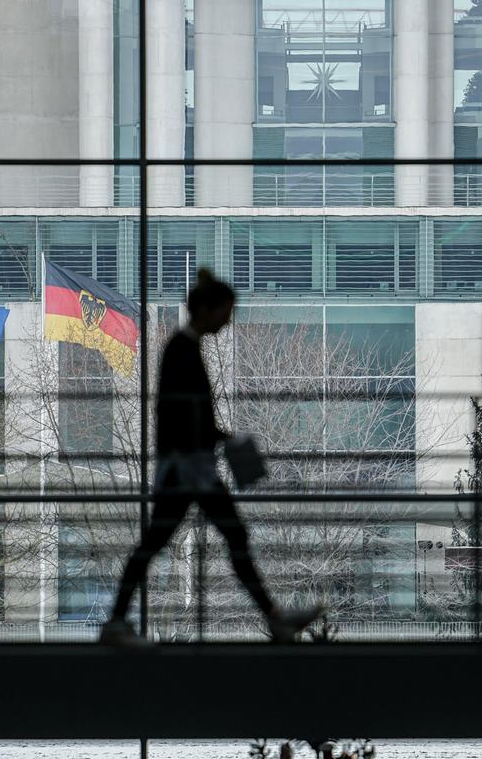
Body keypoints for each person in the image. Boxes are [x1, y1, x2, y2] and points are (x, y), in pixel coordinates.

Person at [101, 269, 323, 645]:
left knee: (174, 541)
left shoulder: (183, 348)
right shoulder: (182, 350)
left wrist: (220, 437)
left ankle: (118, 621)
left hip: (188, 469)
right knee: (213, 537)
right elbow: (182, 415)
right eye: (227, 311)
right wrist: (221, 439)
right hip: (189, 470)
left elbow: (184, 414)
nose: (229, 319)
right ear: (207, 309)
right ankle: (274, 618)